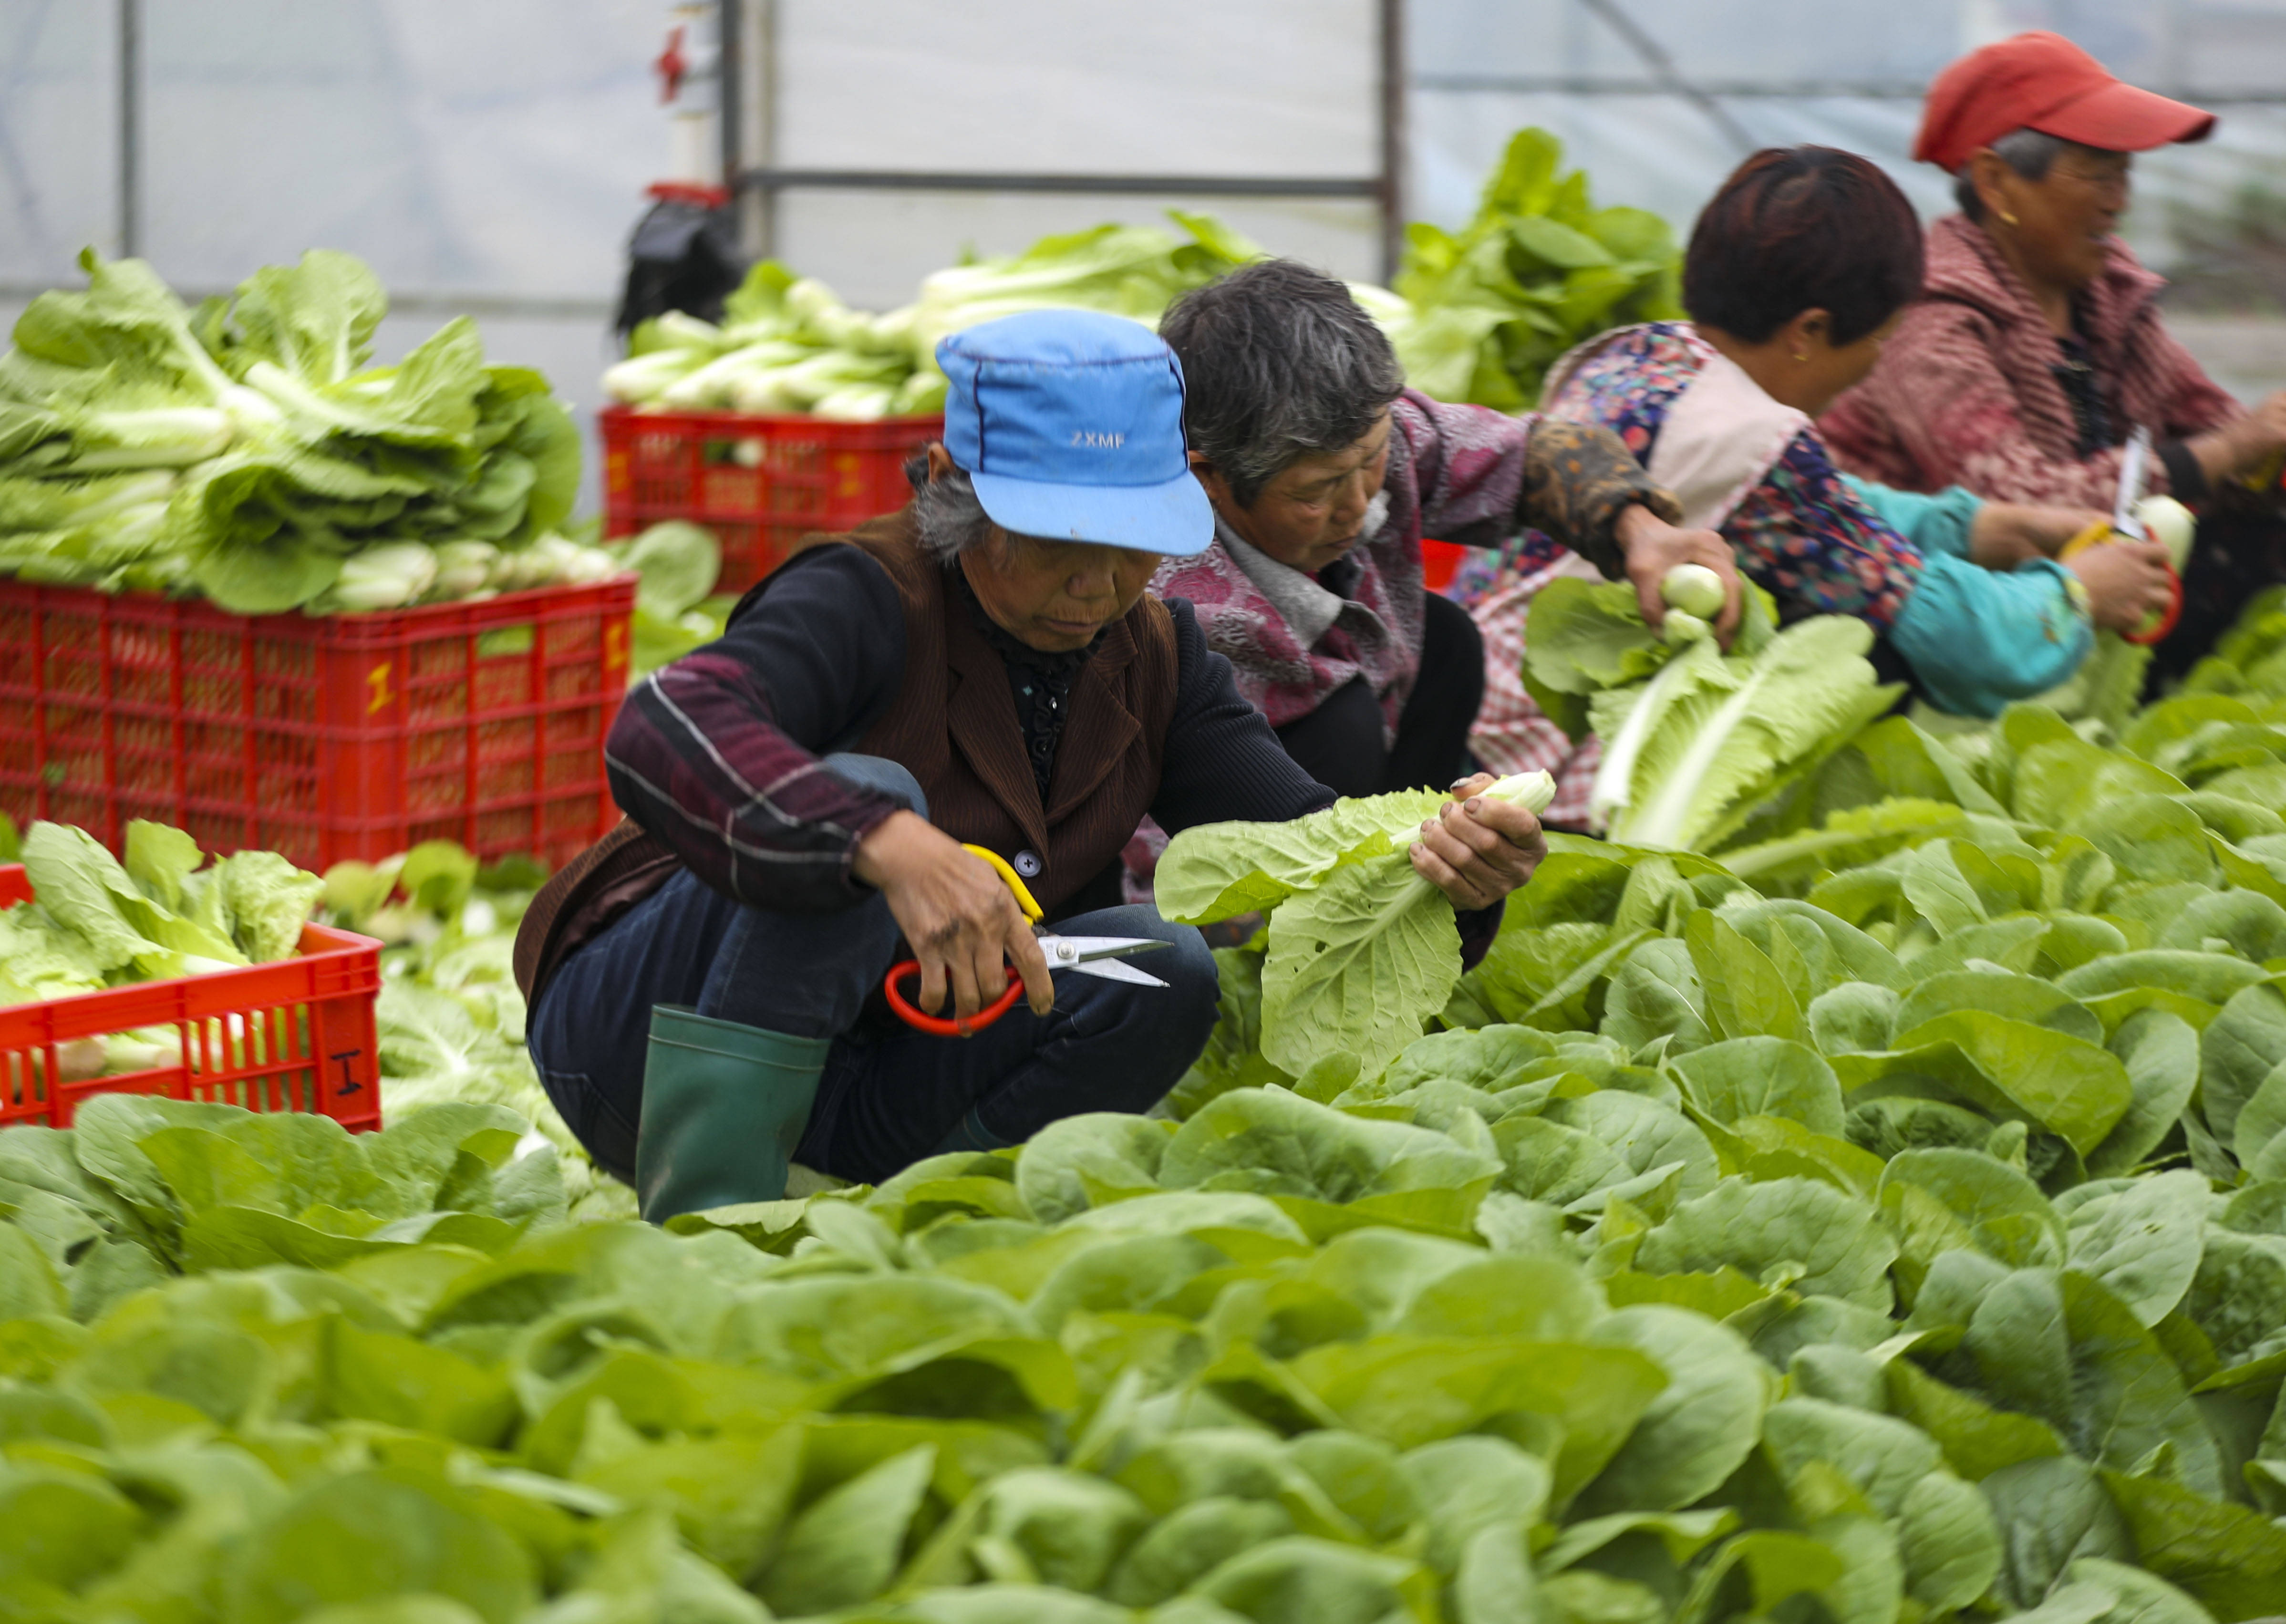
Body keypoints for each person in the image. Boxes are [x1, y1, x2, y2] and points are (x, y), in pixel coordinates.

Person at [512, 311, 1551, 1221]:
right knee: (869, 800)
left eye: (1131, 544)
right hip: (641, 1051)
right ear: (959, 494)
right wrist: (893, 847)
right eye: (1056, 540)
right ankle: (709, 1219)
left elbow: (1305, 845)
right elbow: (665, 720)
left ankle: (924, 1204)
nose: (1096, 582)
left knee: (1158, 963)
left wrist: (1439, 863)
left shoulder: (1158, 654)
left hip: (878, 1061)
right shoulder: (865, 595)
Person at [1462, 143, 2172, 802]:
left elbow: (1826, 509)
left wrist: (1982, 527)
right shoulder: (1763, 444)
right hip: (1537, 769)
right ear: (1807, 331)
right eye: (1880, 339)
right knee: (1876, 656)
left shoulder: (1642, 358)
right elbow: (1960, 638)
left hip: (1474, 693)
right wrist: (2076, 596)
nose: (1876, 363)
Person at [1148, 258, 1742, 825]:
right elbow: (1147, 833)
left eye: (1373, 459)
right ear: (1209, 478)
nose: (1358, 505)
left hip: (1357, 740)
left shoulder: (1369, 440)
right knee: (1341, 724)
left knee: (1447, 641)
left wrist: (1639, 528)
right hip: (1213, 833)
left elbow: (1530, 456)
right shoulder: (1168, 597)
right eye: (1318, 491)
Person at [1821, 31, 2286, 683]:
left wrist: (2265, 453)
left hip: (2068, 600)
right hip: (1925, 634)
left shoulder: (2106, 295)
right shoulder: (1928, 318)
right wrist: (2232, 450)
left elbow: (2210, 424)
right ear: (1996, 182)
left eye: (2124, 172)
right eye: (2096, 172)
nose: (2118, 199)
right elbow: (2016, 502)